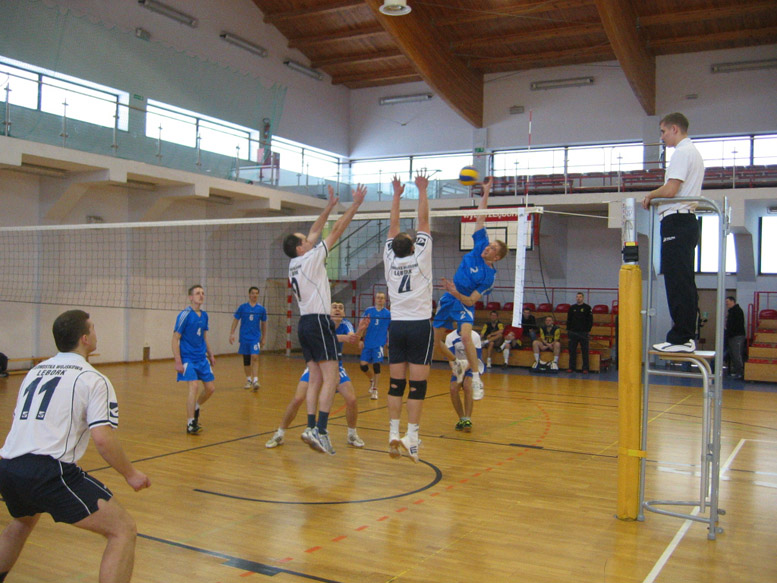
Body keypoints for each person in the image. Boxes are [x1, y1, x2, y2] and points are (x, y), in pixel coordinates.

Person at [0, 310, 151, 583]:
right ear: (84, 338)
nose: (95, 332)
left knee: (23, 520)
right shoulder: (93, 379)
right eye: (93, 328)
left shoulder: (35, 372)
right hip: (48, 471)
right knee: (123, 530)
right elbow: (103, 439)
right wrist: (131, 474)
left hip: (8, 466)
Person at [283, 183, 366, 455]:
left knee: (315, 376)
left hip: (304, 325)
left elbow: (315, 229)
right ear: (300, 248)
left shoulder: (294, 263)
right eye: (305, 241)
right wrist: (355, 205)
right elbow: (337, 230)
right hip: (319, 322)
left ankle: (309, 426)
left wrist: (329, 206)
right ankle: (321, 429)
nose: (310, 240)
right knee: (331, 376)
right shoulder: (311, 258)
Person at [435, 177, 508, 398]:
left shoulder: (489, 276)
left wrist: (455, 292)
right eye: (489, 245)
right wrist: (486, 192)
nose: (487, 248)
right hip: (449, 298)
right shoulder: (479, 246)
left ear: (496, 257)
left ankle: (476, 378)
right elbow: (480, 216)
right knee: (435, 341)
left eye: (492, 248)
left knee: (466, 336)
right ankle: (456, 362)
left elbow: (471, 301)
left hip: (463, 301)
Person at [265, 302, 368, 451]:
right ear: (328, 311)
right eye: (334, 307)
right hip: (316, 366)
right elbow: (329, 338)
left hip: (335, 367)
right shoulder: (321, 323)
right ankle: (280, 433)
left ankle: (352, 434)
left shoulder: (346, 324)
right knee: (298, 398)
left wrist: (360, 330)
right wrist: (344, 338)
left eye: (341, 307)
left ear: (344, 314)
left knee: (351, 399)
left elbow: (353, 339)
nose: (337, 309)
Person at [642, 112, 705, 353]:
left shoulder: (682, 152)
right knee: (682, 280)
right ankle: (684, 336)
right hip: (683, 221)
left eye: (663, 131)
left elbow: (670, 190)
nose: (662, 137)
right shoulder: (691, 152)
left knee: (678, 281)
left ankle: (682, 338)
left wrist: (650, 195)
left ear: (675, 129)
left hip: (678, 221)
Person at [384, 173, 434, 463]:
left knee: (395, 384)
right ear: (413, 246)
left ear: (394, 248)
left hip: (397, 325)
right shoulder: (421, 256)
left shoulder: (389, 259)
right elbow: (423, 221)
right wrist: (422, 189)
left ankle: (393, 432)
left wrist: (396, 195)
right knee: (417, 386)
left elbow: (393, 226)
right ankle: (411, 436)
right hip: (419, 327)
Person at [173, 284, 216, 435]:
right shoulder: (184, 315)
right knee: (194, 386)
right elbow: (175, 338)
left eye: (202, 293)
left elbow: (204, 337)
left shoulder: (204, 316)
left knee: (210, 389)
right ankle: (190, 423)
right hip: (188, 358)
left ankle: (196, 406)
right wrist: (178, 360)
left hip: (201, 358)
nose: (201, 295)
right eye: (198, 293)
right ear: (191, 297)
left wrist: (210, 354)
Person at [229, 286, 267, 390]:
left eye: (256, 293)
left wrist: (264, 337)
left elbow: (264, 324)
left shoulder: (261, 309)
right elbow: (236, 320)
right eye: (253, 293)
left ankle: (256, 380)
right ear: (249, 294)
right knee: (246, 359)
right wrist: (232, 333)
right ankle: (248, 380)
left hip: (255, 338)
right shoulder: (243, 307)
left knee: (254, 357)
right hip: (244, 337)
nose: (255, 295)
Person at [446, 329, 483, 432]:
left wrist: (463, 369)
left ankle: (467, 419)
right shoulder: (450, 337)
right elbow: (450, 358)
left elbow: (475, 358)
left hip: (473, 365)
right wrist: (455, 368)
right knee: (453, 389)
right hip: (458, 365)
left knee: (467, 386)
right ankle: (461, 418)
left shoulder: (475, 336)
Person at [359, 291, 390, 399]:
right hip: (368, 342)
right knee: (363, 366)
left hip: (379, 344)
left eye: (382, 298)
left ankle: (375, 390)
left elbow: (391, 328)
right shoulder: (369, 311)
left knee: (376, 366)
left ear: (384, 300)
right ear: (375, 299)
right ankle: (372, 379)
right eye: (378, 297)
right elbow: (362, 325)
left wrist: (389, 341)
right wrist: (361, 339)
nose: (380, 299)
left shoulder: (388, 314)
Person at [566, 292, 593, 373]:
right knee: (572, 351)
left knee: (585, 351)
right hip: (573, 332)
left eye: (580, 297)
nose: (578, 298)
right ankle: (571, 367)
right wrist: (569, 330)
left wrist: (588, 330)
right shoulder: (572, 308)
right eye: (577, 297)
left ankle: (585, 368)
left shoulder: (587, 308)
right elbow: (569, 320)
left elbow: (590, 321)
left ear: (583, 298)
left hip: (583, 333)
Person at [724, 296, 747, 378]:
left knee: (737, 355)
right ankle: (737, 372)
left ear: (732, 301)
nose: (726, 303)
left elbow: (737, 324)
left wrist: (730, 331)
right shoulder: (731, 311)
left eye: (727, 301)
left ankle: (741, 372)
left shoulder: (737, 311)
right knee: (733, 354)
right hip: (731, 336)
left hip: (737, 336)